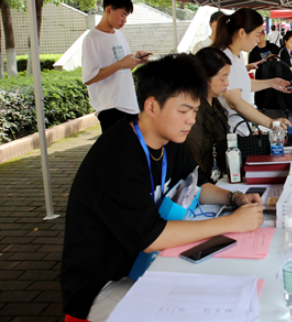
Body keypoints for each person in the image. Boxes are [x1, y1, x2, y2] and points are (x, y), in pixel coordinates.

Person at [61, 54, 264, 321]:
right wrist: (232, 223)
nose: (191, 120)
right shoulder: (118, 158)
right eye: (183, 111)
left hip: (151, 264)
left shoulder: (169, 141)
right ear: (152, 106)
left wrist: (235, 198)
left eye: (194, 110)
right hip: (102, 284)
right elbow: (150, 238)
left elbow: (197, 185)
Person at [213, 8, 291, 134]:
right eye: (257, 34)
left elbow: (242, 85)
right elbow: (235, 102)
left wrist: (270, 83)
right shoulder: (225, 58)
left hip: (243, 129)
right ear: (242, 33)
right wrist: (270, 122)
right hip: (233, 133)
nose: (259, 39)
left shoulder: (236, 55)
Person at [82, 0, 151, 133]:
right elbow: (89, 78)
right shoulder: (92, 38)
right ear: (108, 10)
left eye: (126, 16)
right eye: (122, 15)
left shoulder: (119, 35)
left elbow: (123, 70)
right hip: (111, 108)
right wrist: (120, 64)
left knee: (132, 152)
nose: (124, 21)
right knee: (117, 153)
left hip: (129, 105)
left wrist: (136, 61)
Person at [185, 48, 232, 182]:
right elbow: (198, 161)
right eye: (222, 78)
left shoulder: (215, 102)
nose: (227, 83)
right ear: (204, 77)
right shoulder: (194, 112)